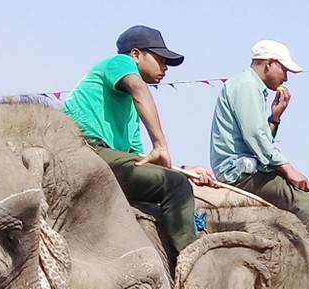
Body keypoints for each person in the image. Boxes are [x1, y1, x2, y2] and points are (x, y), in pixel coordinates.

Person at [63, 25, 215, 254]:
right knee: (174, 186)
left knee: (175, 179)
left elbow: (140, 161)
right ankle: (191, 258)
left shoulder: (132, 111)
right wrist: (161, 145)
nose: (165, 67)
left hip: (108, 158)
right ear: (136, 54)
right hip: (85, 151)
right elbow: (138, 87)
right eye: (160, 59)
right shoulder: (119, 63)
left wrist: (185, 170)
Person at [210, 40, 309, 237]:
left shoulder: (251, 87)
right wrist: (289, 169)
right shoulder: (247, 86)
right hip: (238, 171)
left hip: (250, 166)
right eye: (285, 70)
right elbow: (255, 136)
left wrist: (275, 118)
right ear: (269, 63)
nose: (286, 78)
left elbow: (260, 139)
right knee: (303, 202)